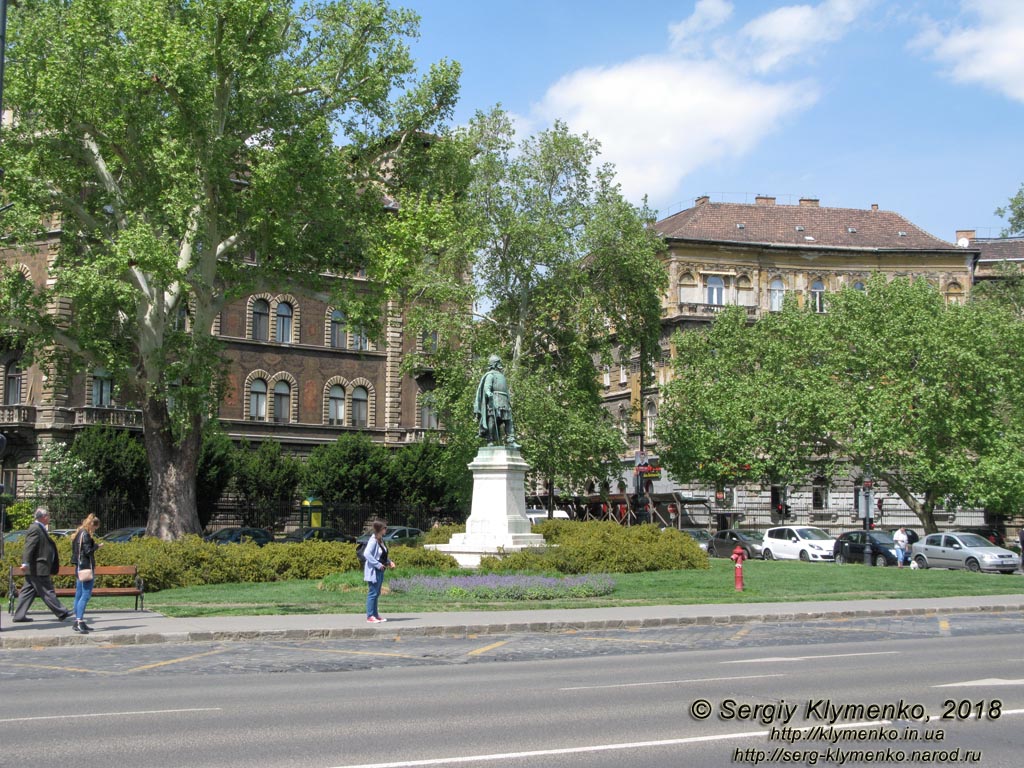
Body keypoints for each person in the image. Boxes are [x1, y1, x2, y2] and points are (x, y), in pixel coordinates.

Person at [12, 507, 71, 624]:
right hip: (38, 567)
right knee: (47, 590)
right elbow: (29, 547)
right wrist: (25, 563)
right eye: (48, 516)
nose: (49, 518)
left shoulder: (40, 528)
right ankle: (61, 611)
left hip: (37, 567)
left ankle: (19, 615)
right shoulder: (35, 528)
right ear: (43, 517)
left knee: (28, 592)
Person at [70, 514, 104, 634]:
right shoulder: (85, 535)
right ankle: (79, 621)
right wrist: (97, 546)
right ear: (92, 525)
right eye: (95, 528)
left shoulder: (79, 533)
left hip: (79, 567)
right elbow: (87, 551)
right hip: (86, 567)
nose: (95, 530)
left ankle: (77, 620)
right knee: (85, 594)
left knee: (78, 594)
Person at [473, 355, 515, 445]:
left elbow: (506, 390)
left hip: (504, 401)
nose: (500, 364)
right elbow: (487, 387)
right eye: (499, 362)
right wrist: (488, 393)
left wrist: (509, 400)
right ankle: (490, 440)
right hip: (494, 401)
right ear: (495, 364)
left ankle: (511, 440)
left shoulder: (502, 376)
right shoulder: (490, 375)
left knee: (508, 420)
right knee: (492, 420)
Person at [363, 519, 395, 624]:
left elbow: (382, 554)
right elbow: (367, 554)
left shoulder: (380, 539)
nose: (386, 529)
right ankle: (370, 616)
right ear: (380, 529)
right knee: (373, 593)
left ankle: (375, 615)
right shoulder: (373, 540)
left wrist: (389, 562)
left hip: (381, 570)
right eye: (385, 528)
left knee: (377, 593)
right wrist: (378, 565)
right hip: (374, 570)